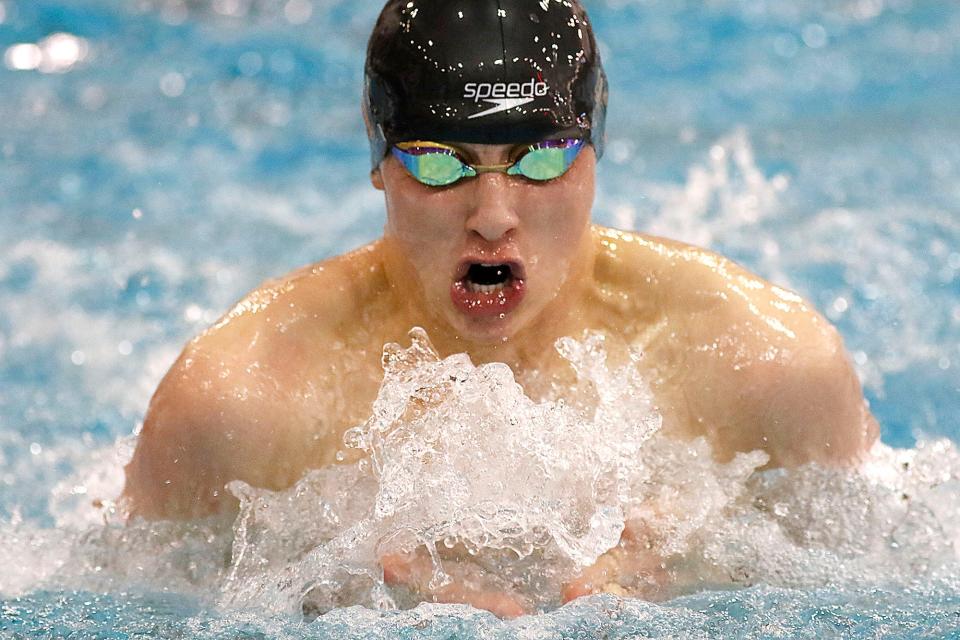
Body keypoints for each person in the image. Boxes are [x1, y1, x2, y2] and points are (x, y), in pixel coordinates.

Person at [121, 0, 878, 617]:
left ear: (596, 150)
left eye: (541, 159)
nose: (492, 215)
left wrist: (705, 562)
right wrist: (336, 593)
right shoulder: (241, 402)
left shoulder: (768, 366)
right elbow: (127, 602)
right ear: (380, 162)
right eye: (441, 162)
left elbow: (873, 582)